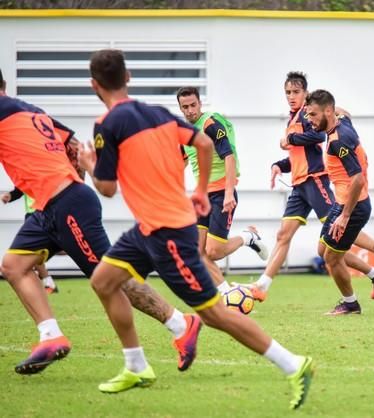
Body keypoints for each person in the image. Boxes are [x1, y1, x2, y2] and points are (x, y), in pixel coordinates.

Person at [80, 49, 313, 408]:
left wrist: (89, 163)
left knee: (216, 314)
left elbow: (107, 188)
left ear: (95, 85)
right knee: (104, 280)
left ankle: (293, 364)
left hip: (168, 232)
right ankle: (137, 365)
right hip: (148, 228)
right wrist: (202, 190)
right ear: (127, 79)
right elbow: (202, 143)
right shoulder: (157, 113)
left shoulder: (106, 124)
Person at [0, 68, 201, 376]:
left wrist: (67, 189)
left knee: (108, 279)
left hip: (68, 205)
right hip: (49, 208)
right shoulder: (32, 111)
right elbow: (74, 145)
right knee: (13, 266)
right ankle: (51, 336)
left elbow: (76, 150)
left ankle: (180, 324)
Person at [244, 72, 374, 303]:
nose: (291, 96)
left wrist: (292, 139)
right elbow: (300, 156)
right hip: (299, 185)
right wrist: (279, 165)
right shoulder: (296, 118)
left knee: (335, 236)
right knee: (285, 235)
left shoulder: (309, 117)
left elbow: (318, 137)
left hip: (315, 181)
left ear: (306, 94)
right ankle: (263, 285)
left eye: (296, 92)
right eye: (287, 92)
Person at [176, 87, 267, 295]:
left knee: (214, 252)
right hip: (202, 197)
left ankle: (248, 237)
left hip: (220, 193)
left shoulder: (210, 125)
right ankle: (226, 294)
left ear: (199, 104)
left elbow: (229, 157)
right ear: (180, 109)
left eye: (193, 105)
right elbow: (181, 162)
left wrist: (228, 192)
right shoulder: (183, 132)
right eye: (185, 107)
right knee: (198, 252)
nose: (190, 111)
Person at [303, 89, 374, 315]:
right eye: (308, 115)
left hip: (354, 206)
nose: (310, 121)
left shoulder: (338, 141)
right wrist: (317, 102)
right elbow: (344, 111)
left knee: (332, 257)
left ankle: (351, 304)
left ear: (328, 111)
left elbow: (357, 179)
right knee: (323, 249)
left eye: (314, 115)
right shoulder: (342, 121)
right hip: (342, 201)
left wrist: (344, 216)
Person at [2, 187, 58, 293]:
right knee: (31, 251)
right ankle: (49, 283)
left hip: (47, 212)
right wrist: (9, 196)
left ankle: (48, 283)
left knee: (42, 249)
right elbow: (20, 189)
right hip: (32, 215)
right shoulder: (25, 173)